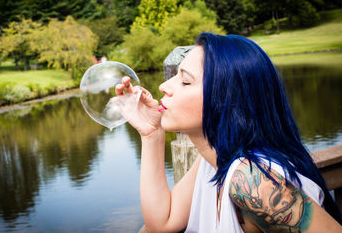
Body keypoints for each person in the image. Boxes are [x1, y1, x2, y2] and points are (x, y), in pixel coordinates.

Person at [115, 32, 342, 232]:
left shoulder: (254, 179)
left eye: (185, 81)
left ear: (226, 99)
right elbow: (162, 222)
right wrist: (151, 134)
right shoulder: (215, 159)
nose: (163, 86)